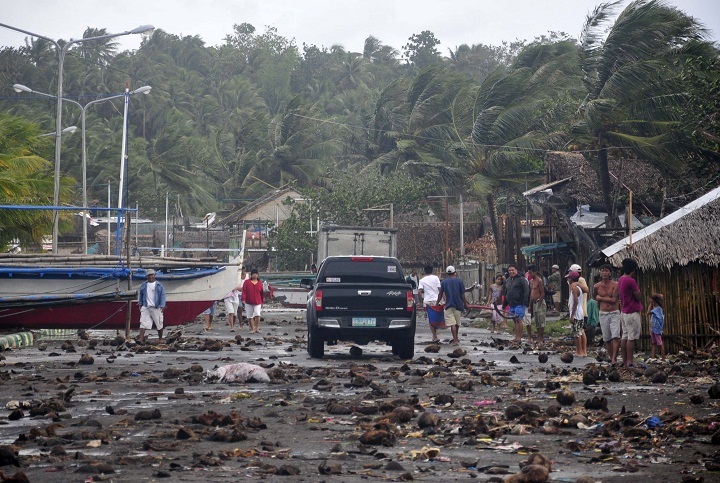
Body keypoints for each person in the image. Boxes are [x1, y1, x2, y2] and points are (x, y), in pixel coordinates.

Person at [618, 258, 643, 367]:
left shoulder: (621, 279)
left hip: (624, 311)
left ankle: (624, 360)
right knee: (631, 338)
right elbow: (638, 296)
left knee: (625, 336)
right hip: (632, 311)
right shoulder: (630, 281)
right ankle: (630, 361)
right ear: (633, 270)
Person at [593, 264, 620, 365]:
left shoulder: (615, 285)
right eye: (602, 270)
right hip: (603, 313)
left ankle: (614, 358)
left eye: (606, 271)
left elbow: (614, 300)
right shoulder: (596, 286)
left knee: (616, 336)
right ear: (600, 272)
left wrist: (601, 298)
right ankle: (612, 358)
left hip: (614, 312)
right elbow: (595, 297)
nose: (604, 272)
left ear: (610, 273)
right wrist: (599, 299)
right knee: (607, 338)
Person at [437, 265, 469, 346]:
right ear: (455, 272)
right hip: (458, 305)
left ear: (447, 273)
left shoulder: (443, 282)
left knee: (452, 324)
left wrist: (437, 303)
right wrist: (465, 304)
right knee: (457, 323)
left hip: (448, 305)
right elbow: (462, 295)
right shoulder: (459, 281)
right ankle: (456, 338)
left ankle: (455, 340)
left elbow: (440, 294)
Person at [138, 269, 166, 344]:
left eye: (152, 275)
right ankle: (140, 339)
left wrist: (162, 306)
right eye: (149, 275)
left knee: (159, 323)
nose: (150, 277)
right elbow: (141, 295)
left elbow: (162, 296)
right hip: (146, 306)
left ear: (154, 275)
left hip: (156, 307)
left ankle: (160, 338)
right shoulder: (144, 285)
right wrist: (140, 304)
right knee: (143, 322)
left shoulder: (159, 285)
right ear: (146, 276)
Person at [503, 264, 530, 344]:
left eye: (513, 270)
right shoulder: (508, 280)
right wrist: (505, 303)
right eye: (509, 270)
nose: (511, 272)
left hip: (520, 303)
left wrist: (525, 301)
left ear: (516, 270)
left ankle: (519, 338)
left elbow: (526, 290)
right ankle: (516, 337)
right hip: (511, 304)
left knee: (519, 320)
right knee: (515, 320)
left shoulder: (522, 279)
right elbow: (506, 292)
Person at [418, 265, 442, 342]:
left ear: (424, 272)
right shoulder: (436, 278)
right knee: (437, 317)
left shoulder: (422, 280)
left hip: (427, 301)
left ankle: (434, 336)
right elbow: (440, 289)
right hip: (436, 300)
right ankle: (435, 334)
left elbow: (419, 291)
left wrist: (420, 302)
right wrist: (443, 299)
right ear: (432, 271)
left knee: (430, 319)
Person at [567, 270, 587, 357]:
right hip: (580, 313)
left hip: (576, 314)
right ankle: (583, 351)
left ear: (571, 279)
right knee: (581, 331)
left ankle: (579, 351)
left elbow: (575, 302)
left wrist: (572, 316)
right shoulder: (579, 287)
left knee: (577, 333)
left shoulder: (575, 288)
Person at [527, 265, 546, 345]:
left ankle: (541, 338)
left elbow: (542, 293)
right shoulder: (531, 282)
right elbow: (531, 295)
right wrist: (530, 305)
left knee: (541, 321)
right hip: (533, 303)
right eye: (529, 273)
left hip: (539, 302)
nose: (530, 274)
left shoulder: (539, 281)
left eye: (531, 273)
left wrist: (539, 305)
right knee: (537, 322)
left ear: (535, 272)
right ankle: (538, 337)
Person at [242, 268, 265, 334]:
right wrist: (243, 299)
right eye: (253, 274)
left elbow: (262, 293)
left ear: (258, 275)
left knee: (257, 314)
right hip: (248, 302)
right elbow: (244, 291)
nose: (255, 275)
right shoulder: (247, 282)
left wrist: (262, 301)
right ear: (251, 275)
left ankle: (257, 328)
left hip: (258, 301)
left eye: (256, 274)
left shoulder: (260, 283)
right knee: (250, 316)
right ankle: (252, 329)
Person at [648, 293, 666, 361]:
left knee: (660, 343)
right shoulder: (656, 309)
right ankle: (653, 358)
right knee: (654, 343)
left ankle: (663, 359)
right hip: (653, 328)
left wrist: (650, 304)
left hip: (656, 329)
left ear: (654, 301)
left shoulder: (657, 309)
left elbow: (648, 312)